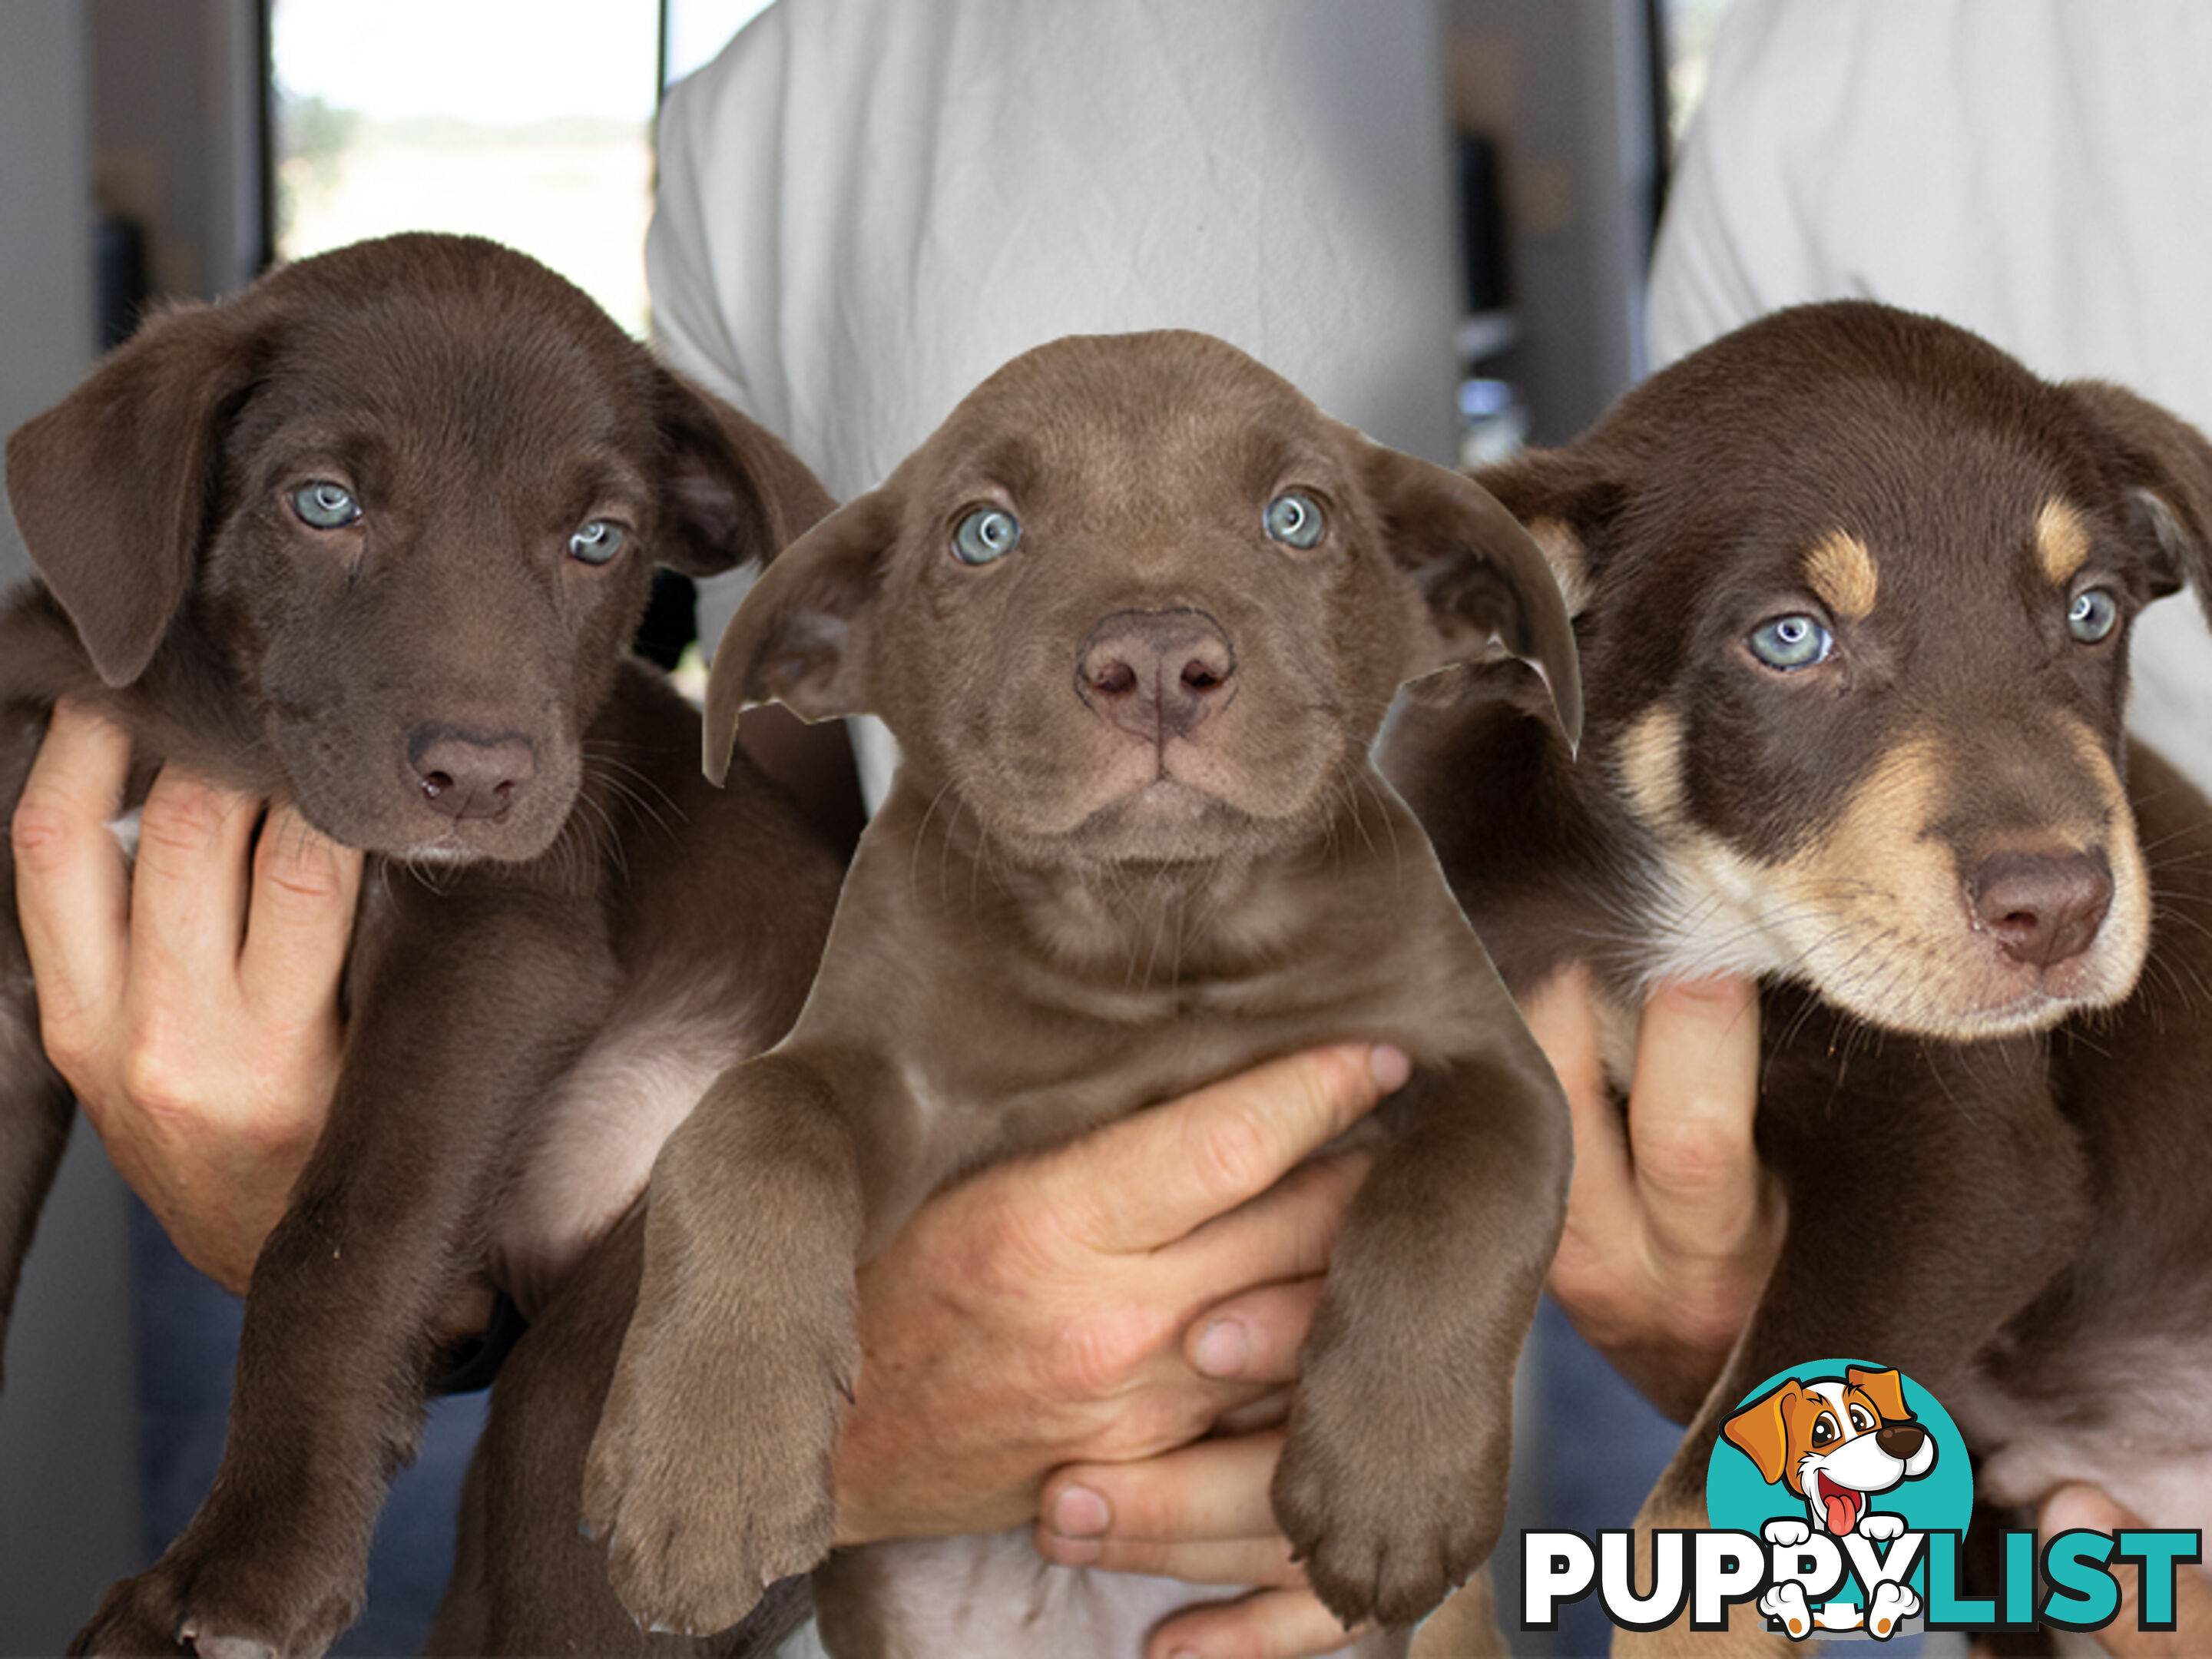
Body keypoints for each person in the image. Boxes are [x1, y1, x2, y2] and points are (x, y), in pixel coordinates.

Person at [12, 5, 1783, 1656]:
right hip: (879, 1387)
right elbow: (745, 880)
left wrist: (1772, 1462)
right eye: (992, 540)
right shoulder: (757, 128)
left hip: (1459, 1429)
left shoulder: (1753, 89)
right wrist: (492, 1308)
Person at [1649, 1, 2212, 1647]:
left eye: (2091, 606)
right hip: (2045, 1476)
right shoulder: (1828, 70)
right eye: (1804, 637)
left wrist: (1718, 1580)